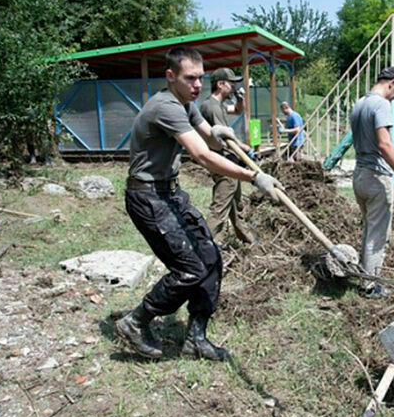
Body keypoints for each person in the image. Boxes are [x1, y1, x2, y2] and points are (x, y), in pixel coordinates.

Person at [115, 47, 284, 361]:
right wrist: (254, 177)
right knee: (190, 268)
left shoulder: (187, 104)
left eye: (200, 78)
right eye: (189, 78)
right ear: (170, 76)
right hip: (147, 196)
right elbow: (203, 155)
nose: (196, 85)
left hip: (169, 192)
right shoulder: (166, 107)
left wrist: (220, 132)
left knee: (211, 258)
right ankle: (135, 322)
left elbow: (210, 138)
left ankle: (196, 339)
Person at [350, 66, 394, 298]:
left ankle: (364, 274)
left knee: (369, 229)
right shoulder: (381, 105)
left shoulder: (359, 104)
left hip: (359, 176)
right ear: (391, 83)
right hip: (377, 178)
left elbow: (373, 140)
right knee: (378, 236)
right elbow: (383, 144)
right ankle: (370, 287)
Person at [199, 67, 257, 245]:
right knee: (220, 208)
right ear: (220, 84)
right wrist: (244, 147)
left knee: (236, 204)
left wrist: (241, 98)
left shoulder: (219, 105)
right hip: (222, 163)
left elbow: (238, 111)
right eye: (231, 84)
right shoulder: (211, 107)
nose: (233, 87)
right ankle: (202, 247)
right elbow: (224, 138)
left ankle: (248, 239)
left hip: (228, 162)